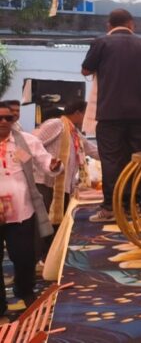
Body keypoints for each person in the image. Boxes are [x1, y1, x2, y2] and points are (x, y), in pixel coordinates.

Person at [81, 9, 141, 223]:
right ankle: (134, 204)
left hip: (110, 113)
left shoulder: (101, 43)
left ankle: (111, 207)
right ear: (131, 25)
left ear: (109, 25)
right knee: (136, 159)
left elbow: (86, 70)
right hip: (139, 113)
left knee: (111, 160)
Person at [0, 102, 61, 319]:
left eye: (8, 118)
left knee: (24, 257)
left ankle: (25, 291)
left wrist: (54, 166)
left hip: (21, 212)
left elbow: (45, 162)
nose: (4, 122)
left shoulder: (23, 143)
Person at [32, 100, 98, 257]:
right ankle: (39, 258)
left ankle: (50, 258)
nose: (89, 118)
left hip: (63, 186)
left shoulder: (74, 132)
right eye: (87, 114)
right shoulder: (56, 124)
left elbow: (93, 150)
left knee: (57, 225)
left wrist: (120, 157)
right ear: (77, 113)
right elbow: (32, 144)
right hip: (45, 182)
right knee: (44, 224)